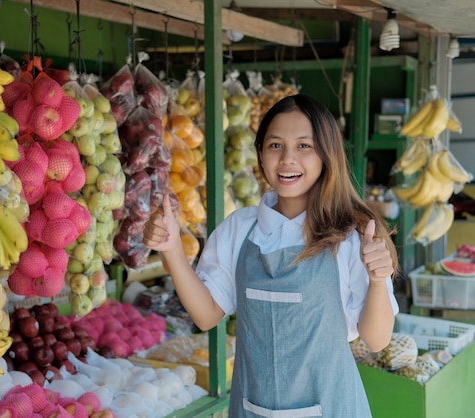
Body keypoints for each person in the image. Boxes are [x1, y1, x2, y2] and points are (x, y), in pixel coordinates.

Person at [143, 93, 399, 417]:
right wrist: (173, 252)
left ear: (326, 155)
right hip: (252, 408)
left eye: (304, 146)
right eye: (275, 145)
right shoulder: (239, 228)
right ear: (261, 156)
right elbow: (207, 316)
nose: (287, 159)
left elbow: (376, 341)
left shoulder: (351, 236)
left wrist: (377, 281)